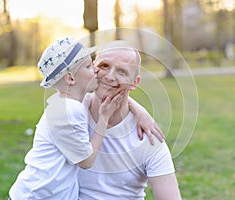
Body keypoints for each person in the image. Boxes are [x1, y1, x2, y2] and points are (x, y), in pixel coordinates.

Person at [8, 36, 125, 199]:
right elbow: (86, 161)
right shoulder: (68, 110)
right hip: (37, 195)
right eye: (88, 66)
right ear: (70, 78)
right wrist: (103, 119)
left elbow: (111, 98)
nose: (96, 69)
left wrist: (142, 115)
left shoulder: (70, 103)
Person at [78, 40, 182, 199]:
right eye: (104, 66)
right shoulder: (71, 113)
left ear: (134, 83)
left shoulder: (148, 136)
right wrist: (137, 107)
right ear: (93, 67)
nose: (110, 76)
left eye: (122, 71)